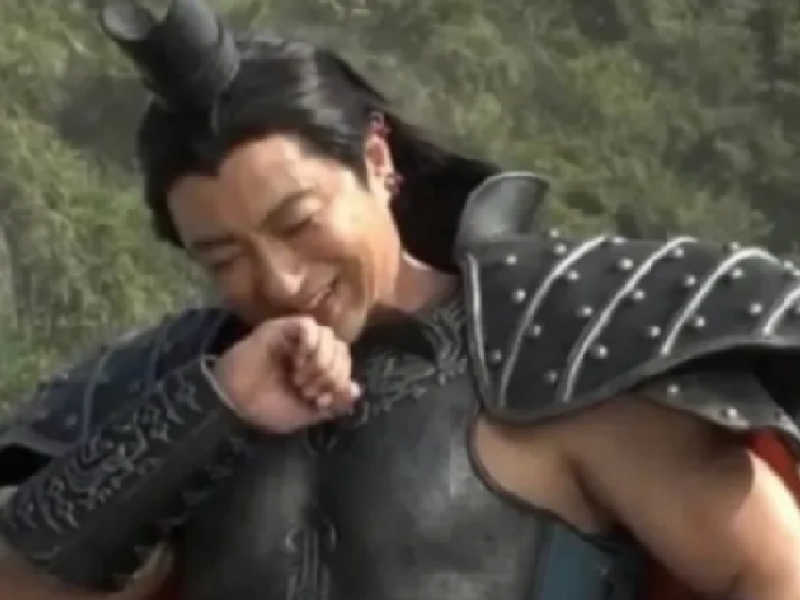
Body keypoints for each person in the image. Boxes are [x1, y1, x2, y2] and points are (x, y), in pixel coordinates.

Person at [1, 0, 799, 598]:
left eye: (298, 222)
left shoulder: (552, 352)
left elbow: (773, 573)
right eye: (223, 257)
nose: (279, 281)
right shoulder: (180, 387)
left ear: (377, 159)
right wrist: (212, 411)